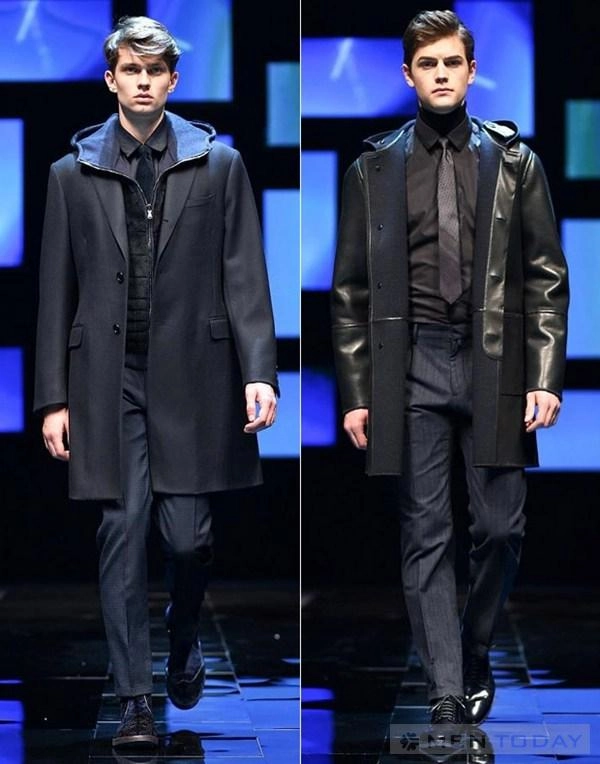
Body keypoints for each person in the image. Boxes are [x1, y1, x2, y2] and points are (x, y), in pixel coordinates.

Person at [34, 16, 278, 751]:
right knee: (120, 530)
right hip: (108, 380)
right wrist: (53, 398)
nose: (142, 82)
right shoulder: (71, 173)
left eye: (155, 71)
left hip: (194, 377)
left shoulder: (219, 164)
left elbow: (245, 275)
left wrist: (259, 371)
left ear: (173, 80)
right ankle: (135, 700)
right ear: (111, 79)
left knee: (188, 540)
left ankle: (183, 632)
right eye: (130, 70)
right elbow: (56, 293)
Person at [331, 9, 568, 731]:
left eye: (451, 63)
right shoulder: (372, 168)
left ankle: (472, 650)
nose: (440, 74)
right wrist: (358, 392)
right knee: (425, 530)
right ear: (408, 75)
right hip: (412, 364)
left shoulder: (516, 163)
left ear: (472, 71)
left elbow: (546, 275)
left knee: (500, 529)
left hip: (495, 362)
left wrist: (544, 375)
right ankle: (443, 685)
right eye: (427, 64)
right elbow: (351, 290)